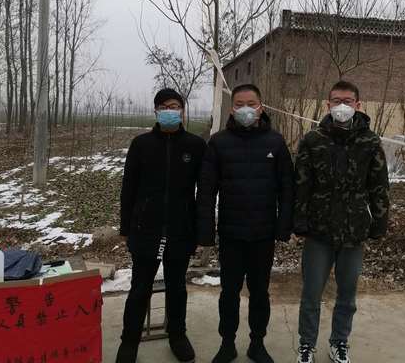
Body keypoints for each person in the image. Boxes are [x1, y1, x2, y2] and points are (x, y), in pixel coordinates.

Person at [293, 80, 390, 363]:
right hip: (318, 230)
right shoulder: (313, 140)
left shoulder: (370, 142)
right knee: (311, 294)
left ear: (358, 105)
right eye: (336, 101)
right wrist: (298, 220)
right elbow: (301, 184)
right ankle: (307, 345)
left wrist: (379, 221)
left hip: (353, 230)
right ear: (328, 104)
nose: (342, 106)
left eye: (348, 101)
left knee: (347, 295)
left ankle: (339, 342)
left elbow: (379, 185)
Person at [197, 83, 294, 363]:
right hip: (231, 234)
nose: (245, 109)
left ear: (261, 107)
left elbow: (287, 188)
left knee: (260, 293)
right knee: (229, 293)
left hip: (263, 234)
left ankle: (257, 343)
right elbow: (206, 191)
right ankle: (227, 343)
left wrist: (283, 227)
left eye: (251, 104)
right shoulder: (218, 142)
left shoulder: (275, 142)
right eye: (239, 104)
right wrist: (206, 231)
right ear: (232, 109)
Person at [116, 88, 207, 363]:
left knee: (177, 288)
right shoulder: (141, 144)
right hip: (146, 230)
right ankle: (129, 341)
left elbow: (204, 193)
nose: (170, 111)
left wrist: (201, 231)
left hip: (181, 231)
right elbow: (128, 188)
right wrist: (126, 228)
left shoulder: (195, 145)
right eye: (165, 106)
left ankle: (177, 335)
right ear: (156, 111)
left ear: (183, 111)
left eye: (175, 106)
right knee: (140, 288)